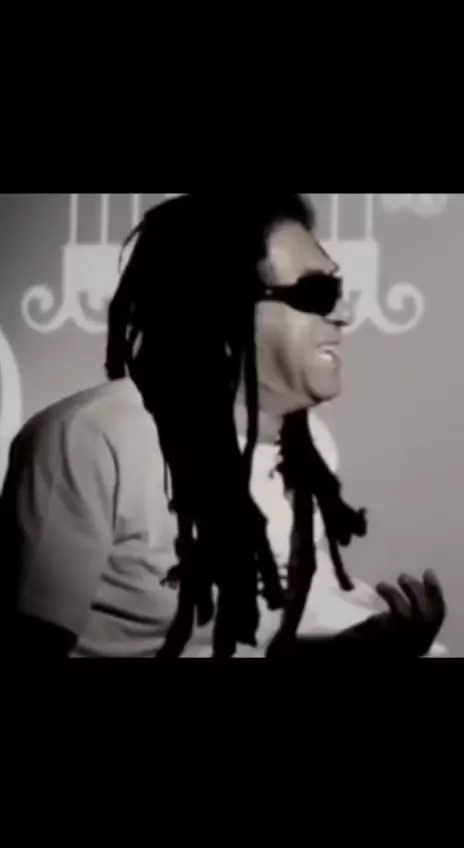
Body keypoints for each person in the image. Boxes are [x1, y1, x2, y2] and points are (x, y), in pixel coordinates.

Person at [2, 193, 446, 659]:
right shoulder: (89, 439)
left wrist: (363, 650)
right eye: (314, 295)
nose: (343, 315)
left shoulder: (308, 446)